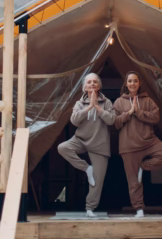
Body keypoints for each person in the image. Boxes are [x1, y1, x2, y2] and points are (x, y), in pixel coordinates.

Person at [113, 71, 162, 218]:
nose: (133, 84)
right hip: (129, 146)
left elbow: (156, 117)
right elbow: (115, 123)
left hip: (149, 141)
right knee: (133, 182)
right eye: (130, 81)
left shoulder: (148, 100)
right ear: (126, 84)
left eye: (135, 81)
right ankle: (139, 210)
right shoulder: (119, 102)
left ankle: (143, 167)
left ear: (139, 83)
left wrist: (138, 112)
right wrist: (128, 113)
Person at [57, 72, 115, 217]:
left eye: (95, 82)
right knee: (63, 147)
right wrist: (89, 107)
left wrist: (98, 107)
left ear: (99, 86)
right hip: (81, 140)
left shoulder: (106, 102)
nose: (92, 84)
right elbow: (74, 121)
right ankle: (86, 168)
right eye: (89, 82)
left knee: (97, 180)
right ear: (84, 87)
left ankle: (90, 208)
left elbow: (112, 120)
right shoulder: (79, 103)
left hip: (99, 144)